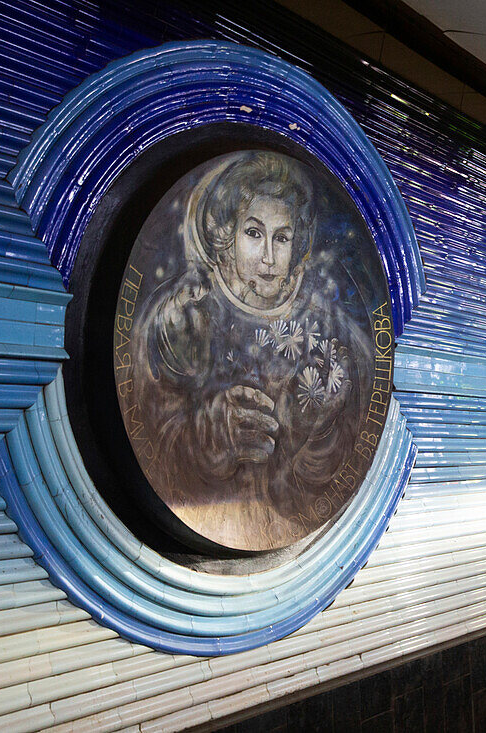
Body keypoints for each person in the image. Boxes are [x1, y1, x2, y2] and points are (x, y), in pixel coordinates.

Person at [127, 151, 375, 552]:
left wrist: (318, 428)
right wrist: (212, 433)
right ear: (226, 234)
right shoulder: (186, 313)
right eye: (254, 233)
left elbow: (333, 472)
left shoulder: (328, 326)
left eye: (282, 238)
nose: (269, 258)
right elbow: (152, 432)